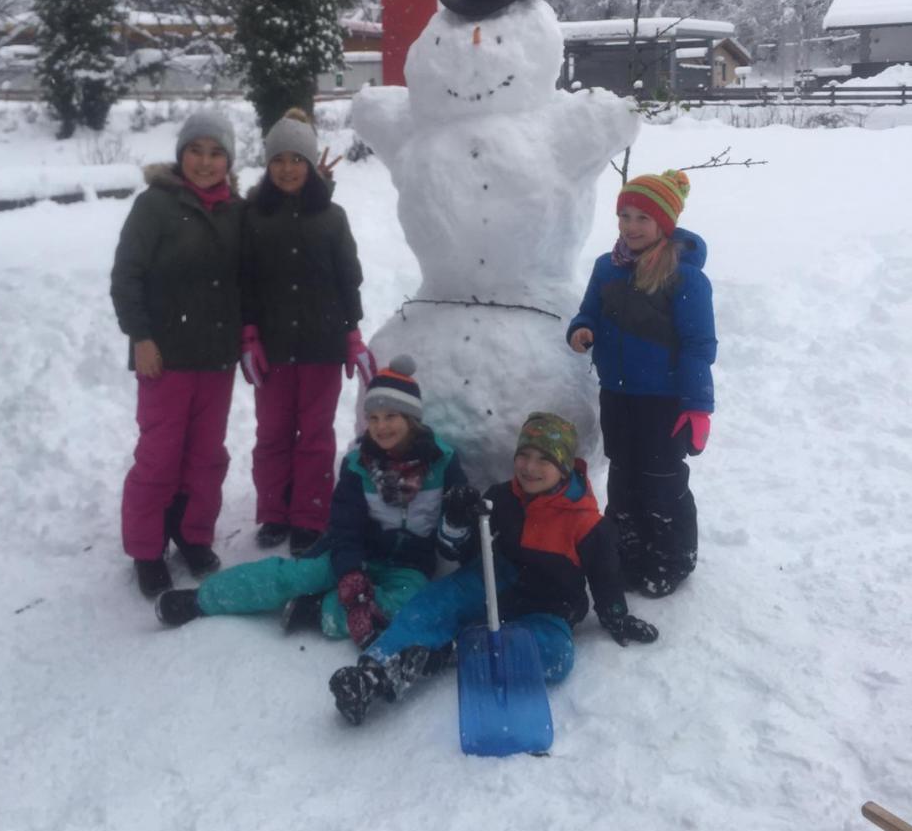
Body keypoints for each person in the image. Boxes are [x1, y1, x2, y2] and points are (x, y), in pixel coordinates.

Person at [328, 412, 658, 727]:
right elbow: (455, 550)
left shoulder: (586, 523)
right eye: (524, 455)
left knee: (557, 655)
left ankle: (452, 651)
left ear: (565, 466)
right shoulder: (501, 498)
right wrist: (456, 519)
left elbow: (605, 575)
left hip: (547, 606)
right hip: (493, 578)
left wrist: (617, 614)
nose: (530, 467)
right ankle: (372, 673)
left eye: (544, 459)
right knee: (437, 600)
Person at [154, 356, 472, 638]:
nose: (381, 427)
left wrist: (458, 519)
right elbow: (345, 526)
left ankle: (319, 609)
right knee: (291, 576)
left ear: (411, 419)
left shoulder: (441, 462)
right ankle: (203, 600)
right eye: (373, 418)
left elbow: (454, 532)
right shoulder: (359, 464)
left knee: (406, 610)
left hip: (409, 567)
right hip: (353, 553)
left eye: (391, 416)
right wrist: (350, 570)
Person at [110, 108, 244, 598]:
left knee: (206, 456)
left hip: (216, 357)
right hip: (163, 357)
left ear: (228, 160)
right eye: (196, 151)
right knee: (159, 456)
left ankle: (192, 536)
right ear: (181, 154)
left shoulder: (237, 210)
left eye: (215, 153)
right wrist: (141, 338)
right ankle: (147, 550)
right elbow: (126, 277)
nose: (205, 162)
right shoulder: (155, 206)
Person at [566, 168, 716, 599]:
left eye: (642, 219)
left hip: (665, 402)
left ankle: (671, 557)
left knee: (662, 480)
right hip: (616, 394)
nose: (631, 227)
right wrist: (580, 330)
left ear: (664, 224)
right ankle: (627, 550)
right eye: (624, 216)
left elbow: (698, 345)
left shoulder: (685, 278)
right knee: (624, 474)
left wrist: (697, 405)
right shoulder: (605, 268)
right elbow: (587, 312)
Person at [238, 107, 373, 555]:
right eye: (279, 159)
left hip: (322, 344)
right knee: (273, 432)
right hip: (272, 349)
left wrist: (352, 333)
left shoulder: (332, 217)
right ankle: (274, 512)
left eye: (297, 159)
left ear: (311, 164)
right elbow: (245, 280)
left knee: (315, 433)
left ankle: (310, 514)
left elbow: (347, 278)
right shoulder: (254, 217)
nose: (288, 168)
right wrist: (250, 334)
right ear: (268, 164)